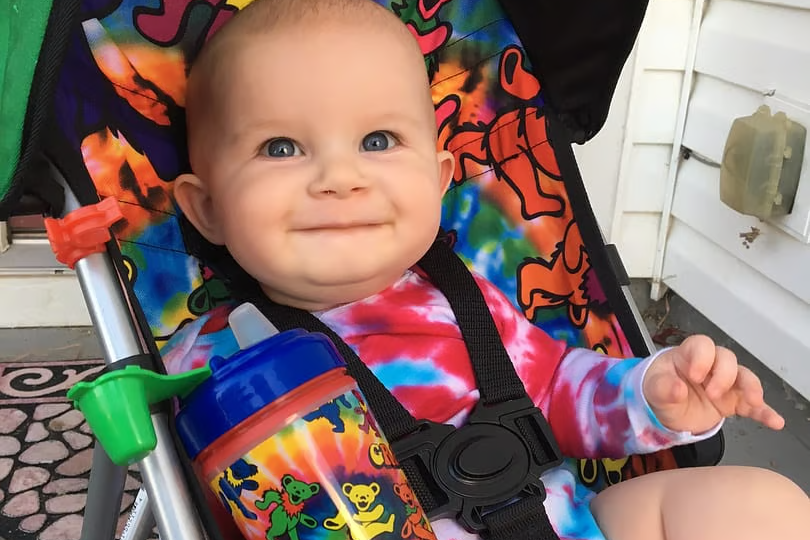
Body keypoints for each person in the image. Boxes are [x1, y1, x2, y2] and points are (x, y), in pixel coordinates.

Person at [168, 0, 810, 538]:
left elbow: (560, 392)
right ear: (208, 208)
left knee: (762, 505)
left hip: (560, 525)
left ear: (439, 178)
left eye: (379, 141)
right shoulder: (209, 363)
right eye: (280, 148)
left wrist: (653, 395)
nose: (340, 178)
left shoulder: (463, 303)